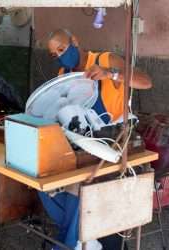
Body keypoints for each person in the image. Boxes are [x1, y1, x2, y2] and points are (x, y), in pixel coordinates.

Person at [39, 29, 153, 250]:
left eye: (62, 48)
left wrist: (111, 74)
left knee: (82, 186)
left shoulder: (104, 59)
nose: (60, 56)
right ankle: (83, 240)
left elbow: (145, 81)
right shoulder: (65, 73)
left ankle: (72, 242)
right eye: (54, 54)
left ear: (75, 41)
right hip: (81, 144)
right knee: (45, 183)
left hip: (114, 144)